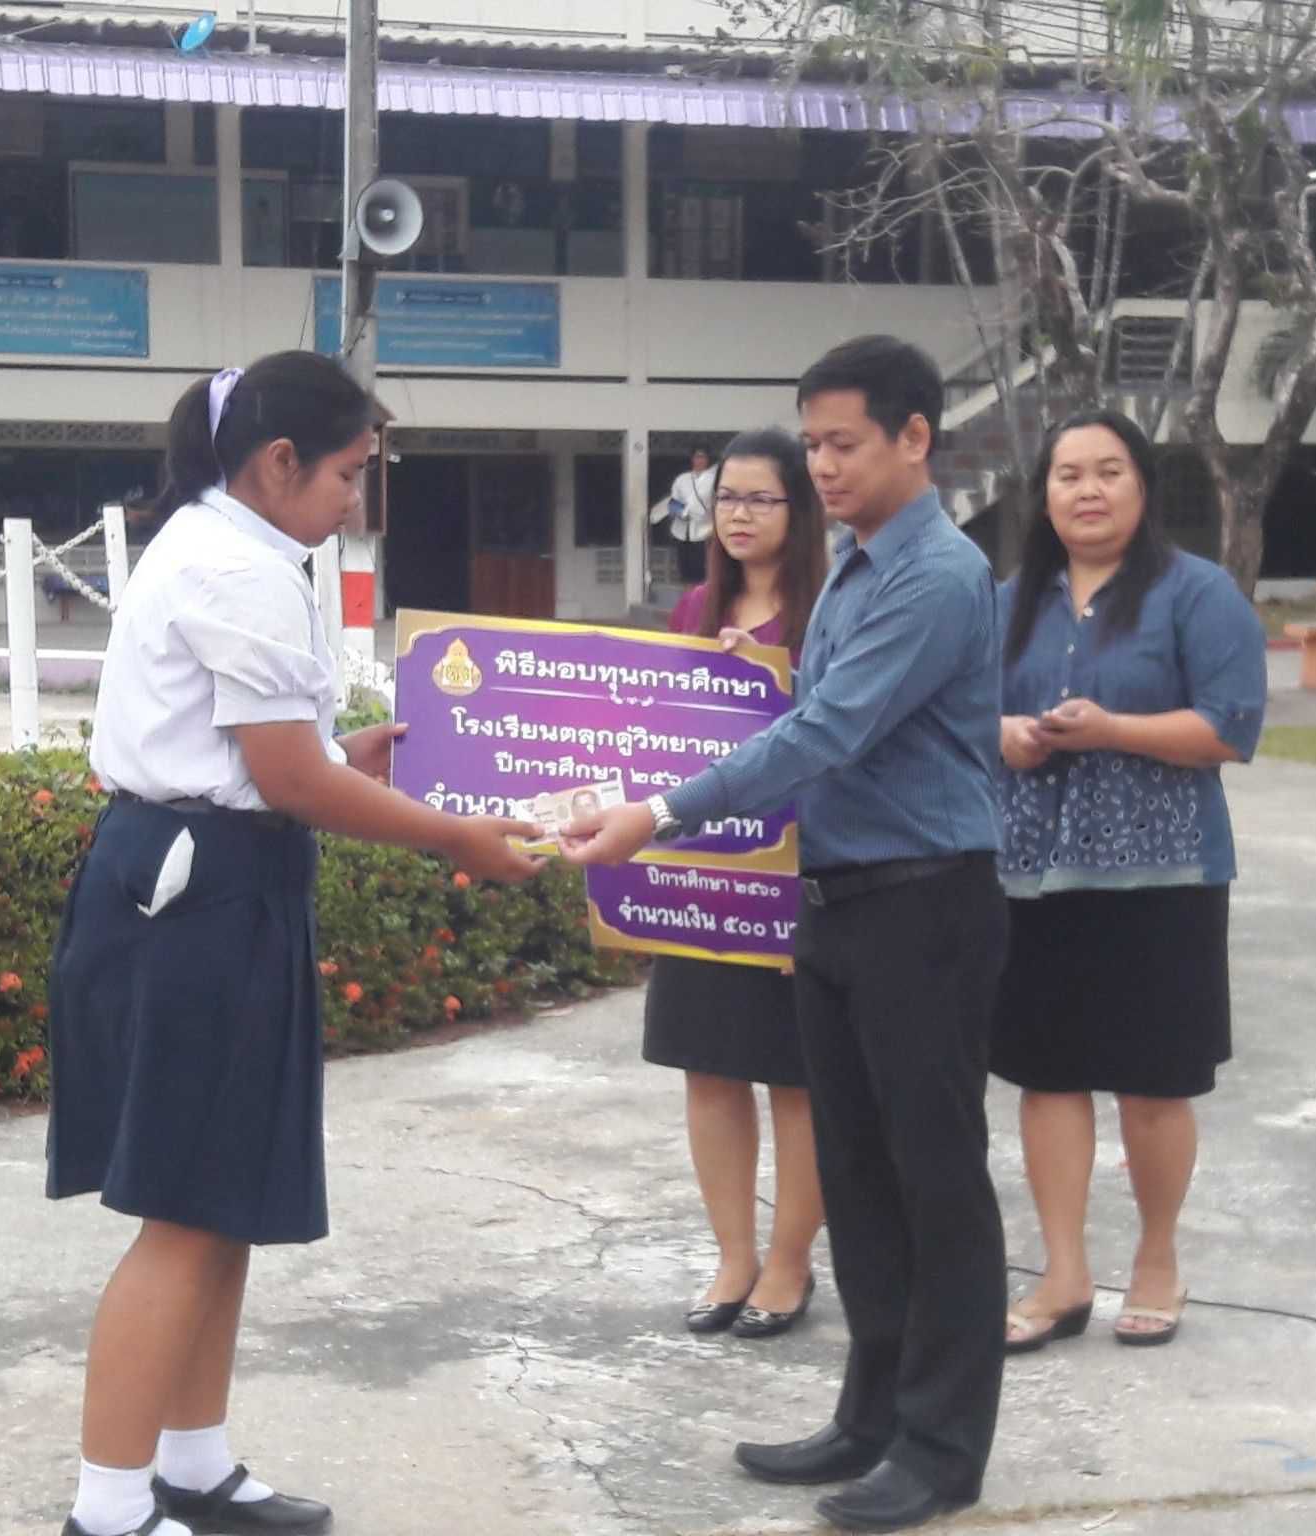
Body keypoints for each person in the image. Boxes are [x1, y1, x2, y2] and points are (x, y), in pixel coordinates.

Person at [44, 353, 541, 1536]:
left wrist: (333, 755)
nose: (356, 500)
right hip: (196, 892)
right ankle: (108, 1511)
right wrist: (454, 838)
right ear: (278, 463)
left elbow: (272, 758)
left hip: (213, 872)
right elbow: (285, 781)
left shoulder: (236, 546)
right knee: (183, 1211)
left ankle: (193, 1466)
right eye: (349, 473)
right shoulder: (237, 566)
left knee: (222, 1198)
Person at [565, 337, 1007, 1534]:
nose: (822, 467)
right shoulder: (855, 563)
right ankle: (871, 1417)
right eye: (810, 444)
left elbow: (827, 732)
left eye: (842, 443)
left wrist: (657, 814)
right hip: (836, 901)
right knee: (858, 1174)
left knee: (934, 1178)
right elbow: (799, 713)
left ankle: (942, 1447)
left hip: (925, 904)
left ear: (915, 438)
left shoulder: (936, 575)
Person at [990, 408, 1266, 1356]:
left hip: (1165, 873)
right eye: (1068, 474)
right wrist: (1003, 735)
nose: (1089, 491)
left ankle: (1156, 1260)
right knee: (1047, 1077)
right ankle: (1063, 1272)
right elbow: (956, 712)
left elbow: (1230, 727)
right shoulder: (1009, 600)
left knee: (1153, 1082)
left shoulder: (1198, 592)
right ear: (1044, 496)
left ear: (1143, 486)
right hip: (1032, 875)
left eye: (1109, 471)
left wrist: (1114, 730)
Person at [644, 428, 832, 1342]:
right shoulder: (693, 608)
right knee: (710, 1067)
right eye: (727, 498)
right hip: (703, 876)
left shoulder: (830, 612)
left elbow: (833, 737)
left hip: (798, 879)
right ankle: (733, 1256)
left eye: (761, 498)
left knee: (799, 1080)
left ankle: (790, 1263)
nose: (740, 515)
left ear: (801, 509)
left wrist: (763, 674)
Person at [650, 446, 718, 584]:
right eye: (697, 456)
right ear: (692, 459)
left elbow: (718, 503)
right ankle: (688, 593)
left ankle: (701, 595)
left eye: (703, 457)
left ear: (707, 459)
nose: (700, 460)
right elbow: (673, 502)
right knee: (685, 570)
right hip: (682, 530)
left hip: (704, 530)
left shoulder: (714, 480)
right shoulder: (682, 479)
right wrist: (683, 513)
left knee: (703, 570)